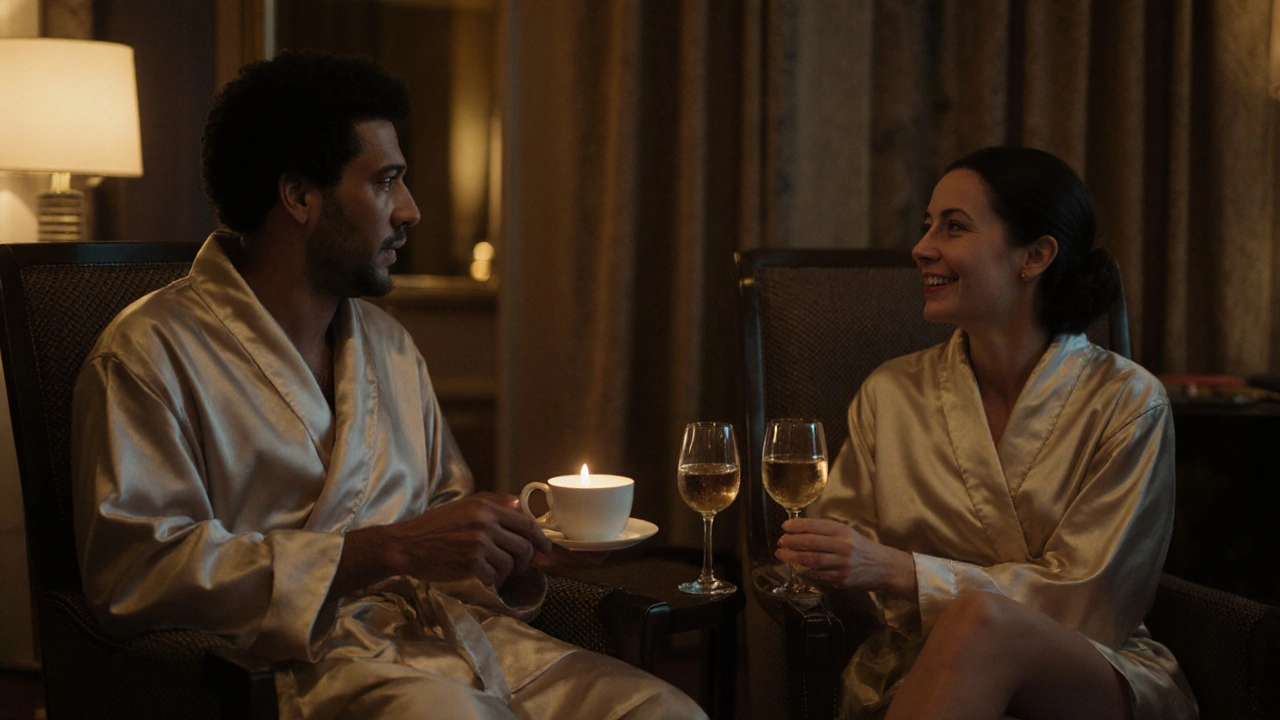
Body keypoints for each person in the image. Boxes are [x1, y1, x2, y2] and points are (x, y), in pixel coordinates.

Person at [71, 50, 705, 720]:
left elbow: (444, 514)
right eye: (385, 182)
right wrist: (381, 551)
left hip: (458, 640)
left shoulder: (388, 344)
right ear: (299, 196)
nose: (411, 210)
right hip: (303, 664)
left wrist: (511, 550)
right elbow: (139, 573)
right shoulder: (148, 353)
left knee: (664, 712)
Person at [775, 146, 1198, 720]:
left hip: (1088, 674)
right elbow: (844, 553)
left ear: (1036, 255)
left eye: (954, 227)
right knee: (973, 624)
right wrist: (818, 562)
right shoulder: (890, 393)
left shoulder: (1128, 401)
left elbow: (1088, 603)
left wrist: (903, 571)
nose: (923, 247)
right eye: (927, 226)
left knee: (981, 620)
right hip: (920, 669)